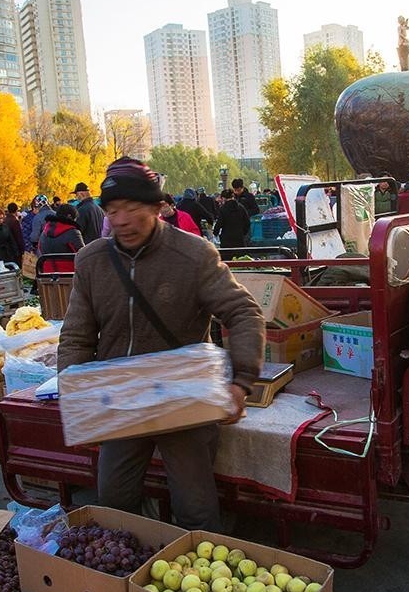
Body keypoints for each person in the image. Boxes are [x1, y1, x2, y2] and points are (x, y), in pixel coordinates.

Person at [58, 157, 265, 532]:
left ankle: (198, 577)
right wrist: (77, 395)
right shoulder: (92, 261)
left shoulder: (193, 254)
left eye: (132, 208)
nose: (121, 220)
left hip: (184, 396)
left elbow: (243, 312)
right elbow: (76, 334)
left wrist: (241, 382)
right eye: (113, 210)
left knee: (196, 509)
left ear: (157, 208)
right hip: (119, 399)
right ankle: (129, 579)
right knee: (114, 502)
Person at [37, 203, 85, 273]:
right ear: (70, 216)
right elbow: (82, 254)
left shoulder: (44, 232)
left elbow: (40, 249)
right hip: (70, 274)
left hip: (47, 273)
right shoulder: (72, 232)